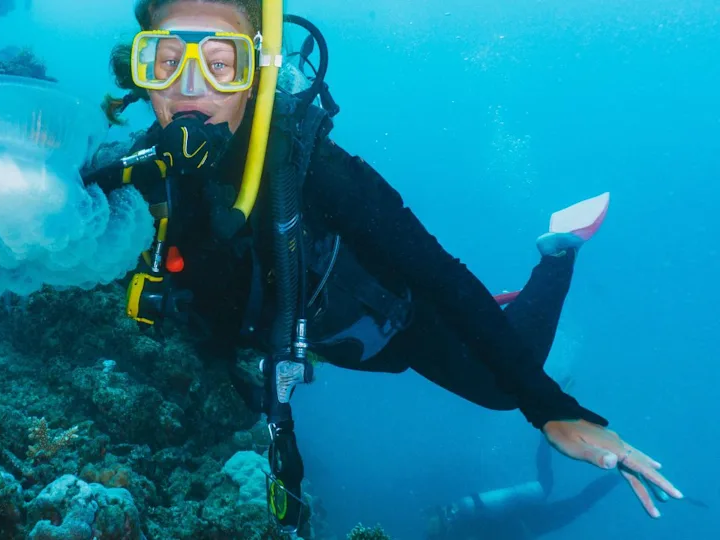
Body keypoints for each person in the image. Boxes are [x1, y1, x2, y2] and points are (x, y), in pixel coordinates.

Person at [81, 0, 683, 533]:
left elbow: (434, 272)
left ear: (256, 75)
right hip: (325, 337)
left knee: (506, 382)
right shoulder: (134, 172)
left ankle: (558, 252)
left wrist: (551, 409)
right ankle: (500, 310)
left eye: (220, 61)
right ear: (140, 73)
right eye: (163, 60)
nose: (189, 87)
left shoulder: (317, 168)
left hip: (401, 324)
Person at [425, 435, 621, 540]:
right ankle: (546, 437)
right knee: (557, 490)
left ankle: (617, 476)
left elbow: (492, 529)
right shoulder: (459, 522)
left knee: (579, 503)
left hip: (530, 523)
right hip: (524, 516)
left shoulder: (459, 530)